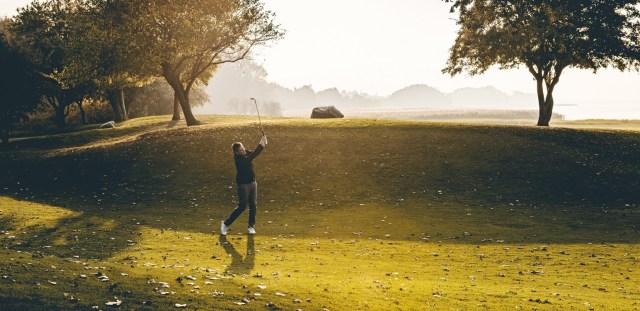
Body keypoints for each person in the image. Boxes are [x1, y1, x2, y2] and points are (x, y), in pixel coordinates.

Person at [221, 135, 267, 235]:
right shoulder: (239, 160)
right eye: (241, 151)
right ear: (236, 152)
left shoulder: (245, 152)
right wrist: (261, 144)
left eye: (243, 148)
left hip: (252, 182)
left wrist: (262, 143)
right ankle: (225, 224)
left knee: (253, 205)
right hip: (243, 185)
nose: (243, 151)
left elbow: (254, 153)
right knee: (242, 206)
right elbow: (252, 156)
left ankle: (251, 226)